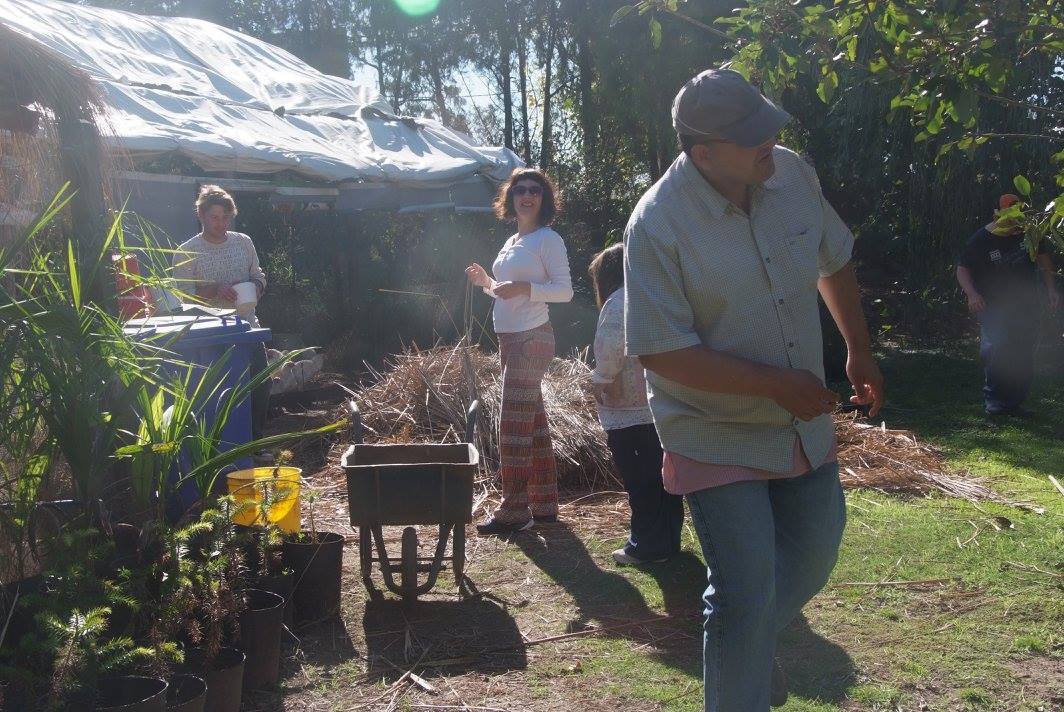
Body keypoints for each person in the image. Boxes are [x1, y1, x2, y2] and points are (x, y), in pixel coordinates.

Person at [623, 68, 884, 711]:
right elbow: (658, 348)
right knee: (743, 590)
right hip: (709, 427)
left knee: (817, 548)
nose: (771, 139)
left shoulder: (791, 174)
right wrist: (775, 385)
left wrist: (858, 348)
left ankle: (746, 648)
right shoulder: (657, 225)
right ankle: (741, 673)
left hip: (799, 421)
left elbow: (835, 257)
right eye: (751, 136)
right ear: (701, 153)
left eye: (767, 125)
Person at [465, 168, 574, 535]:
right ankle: (544, 504)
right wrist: (486, 283)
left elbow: (564, 291)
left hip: (533, 338)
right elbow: (505, 290)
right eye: (520, 190)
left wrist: (526, 287)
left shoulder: (548, 239)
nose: (527, 195)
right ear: (510, 198)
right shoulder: (511, 242)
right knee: (533, 425)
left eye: (535, 190)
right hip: (508, 340)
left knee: (512, 424)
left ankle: (514, 509)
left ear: (544, 200)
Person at [588, 243, 684, 565]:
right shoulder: (654, 296)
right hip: (660, 404)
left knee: (640, 481)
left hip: (628, 410)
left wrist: (600, 379)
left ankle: (644, 545)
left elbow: (612, 344)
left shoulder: (617, 303)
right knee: (665, 479)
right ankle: (669, 540)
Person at [173, 184, 271, 439]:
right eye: (214, 217)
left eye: (226, 217)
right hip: (208, 335)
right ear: (201, 216)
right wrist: (214, 289)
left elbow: (258, 276)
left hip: (248, 327)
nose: (221, 223)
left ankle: (254, 445)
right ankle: (219, 448)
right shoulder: (186, 251)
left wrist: (256, 288)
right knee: (219, 393)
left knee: (260, 384)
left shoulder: (243, 242)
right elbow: (181, 298)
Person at [956, 193, 1061, 417]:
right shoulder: (983, 238)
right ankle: (994, 401)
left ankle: (1014, 402)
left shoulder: (1029, 232)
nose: (1016, 216)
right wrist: (972, 294)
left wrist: (1051, 289)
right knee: (998, 347)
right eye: (1010, 211)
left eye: (1018, 211)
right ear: (999, 213)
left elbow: (1044, 261)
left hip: (1025, 303)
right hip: (992, 304)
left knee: (1023, 349)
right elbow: (962, 269)